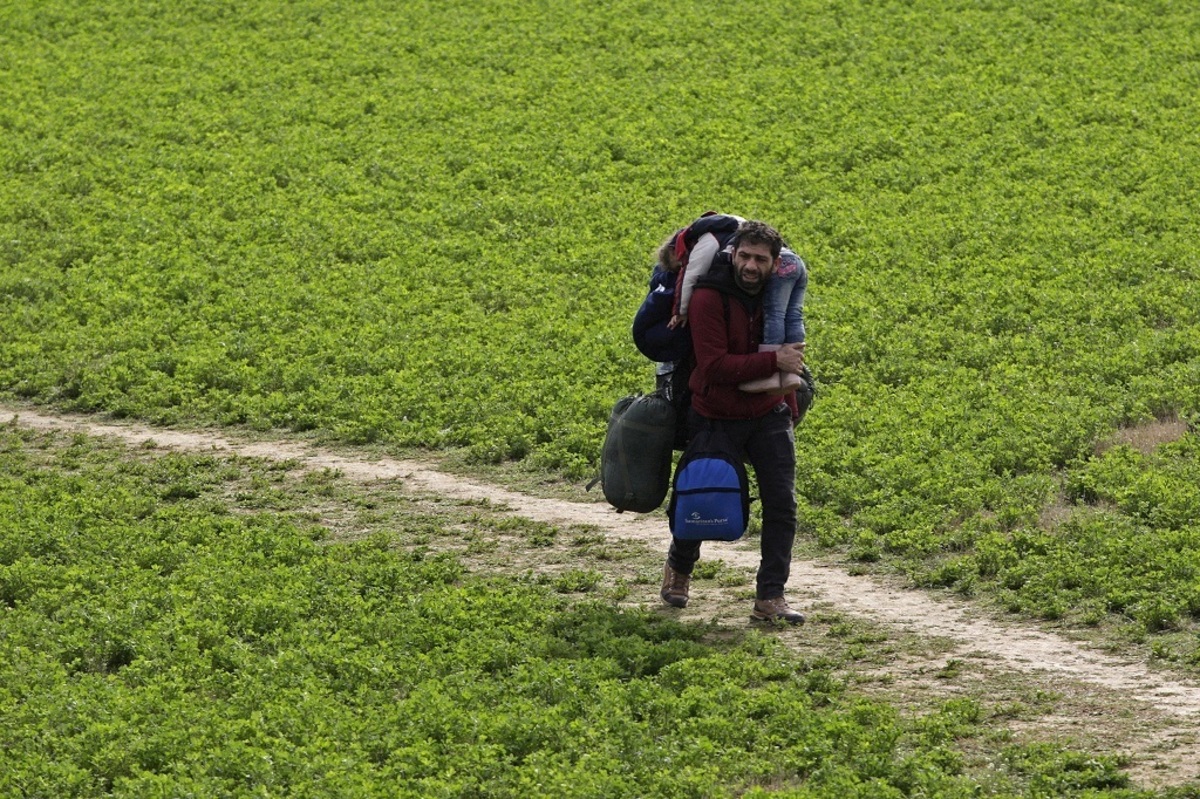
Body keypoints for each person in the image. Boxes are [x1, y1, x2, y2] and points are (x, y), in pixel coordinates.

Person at [660, 219, 808, 625]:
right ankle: (679, 571)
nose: (750, 265)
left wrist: (789, 403)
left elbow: (791, 357)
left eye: (760, 259)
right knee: (703, 493)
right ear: (733, 255)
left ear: (775, 264)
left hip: (768, 414)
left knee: (782, 505)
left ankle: (770, 597)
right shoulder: (709, 297)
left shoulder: (778, 298)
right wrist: (773, 361)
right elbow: (713, 366)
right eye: (744, 255)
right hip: (715, 414)